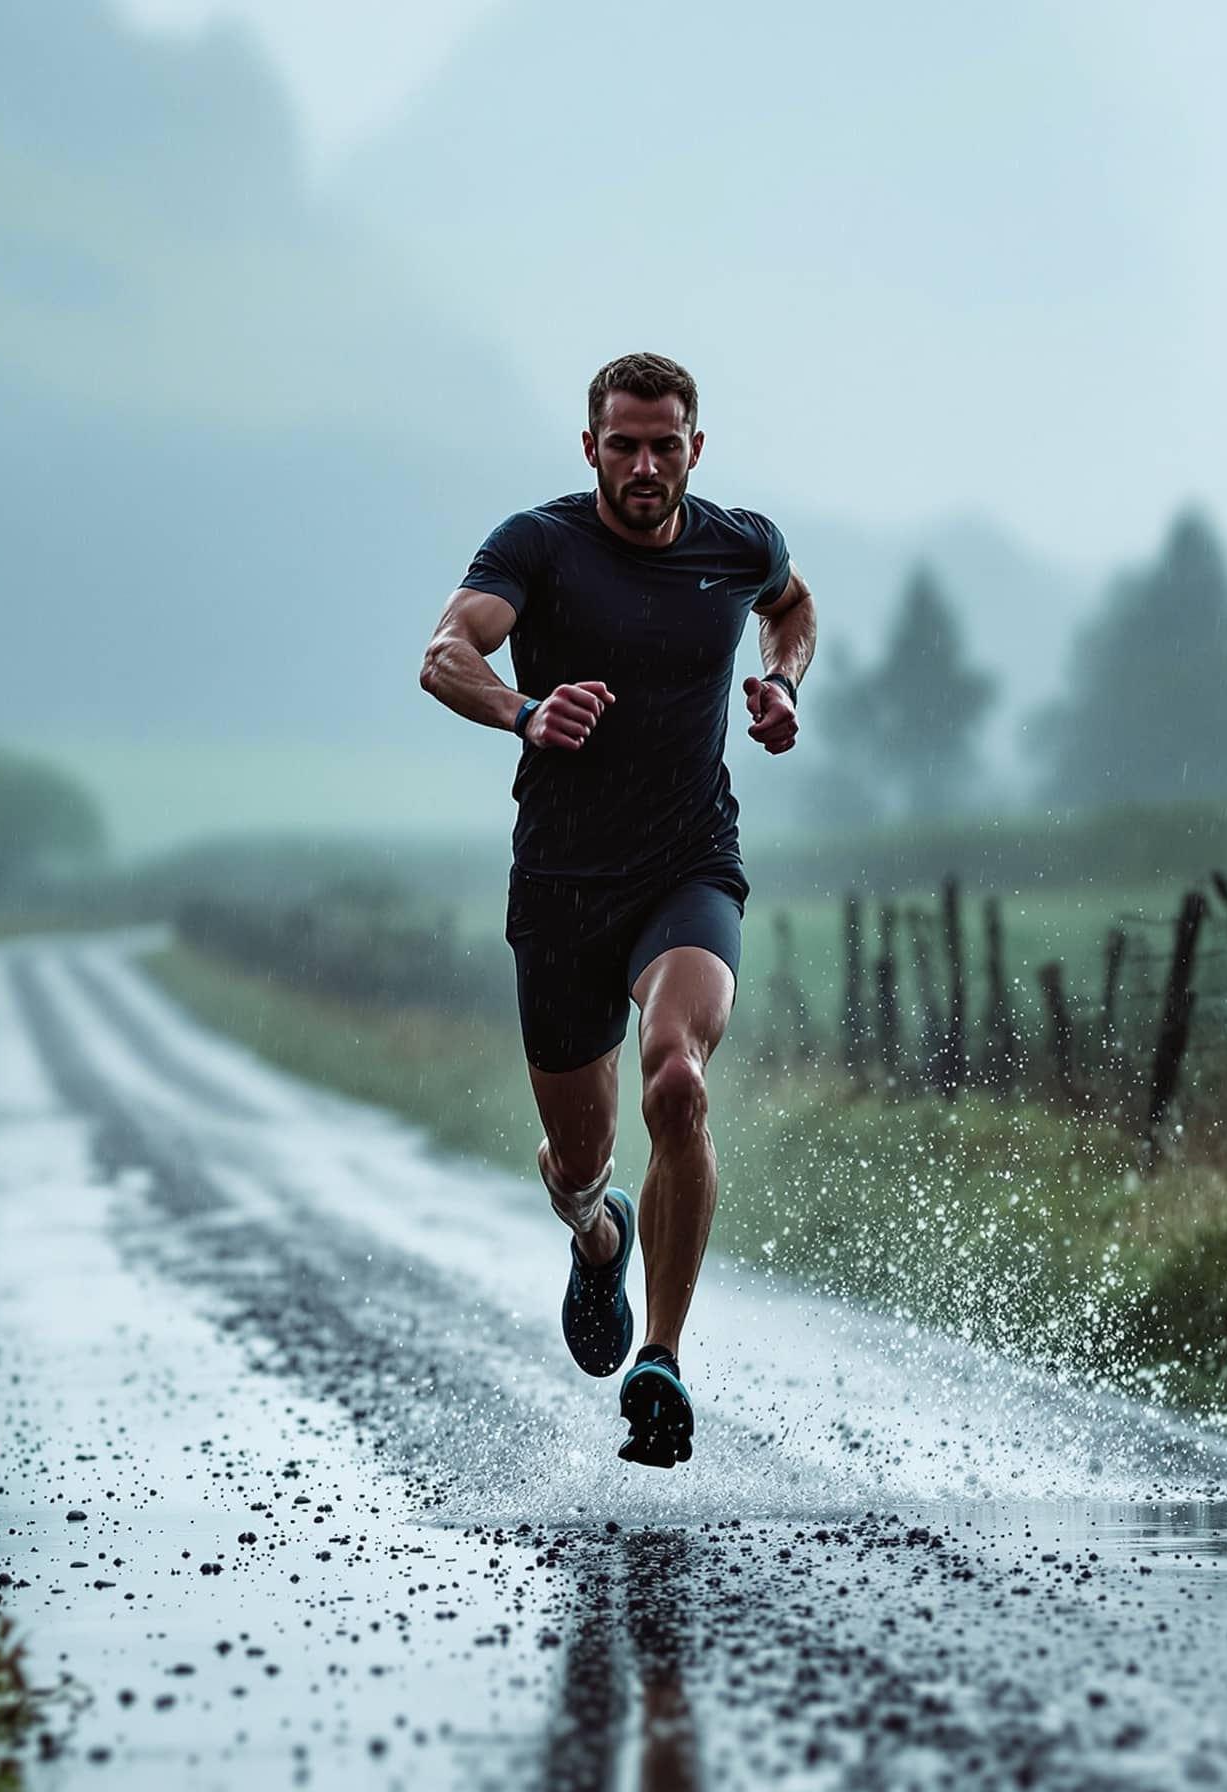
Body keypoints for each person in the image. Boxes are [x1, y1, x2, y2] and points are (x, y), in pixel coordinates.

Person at [418, 351, 816, 1467]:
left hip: (688, 866)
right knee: (576, 1163)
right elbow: (445, 652)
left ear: (696, 447)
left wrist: (782, 683)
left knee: (678, 1078)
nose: (646, 465)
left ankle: (663, 1360)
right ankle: (599, 1237)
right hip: (558, 890)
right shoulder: (536, 546)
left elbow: (792, 609)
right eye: (624, 444)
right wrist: (522, 708)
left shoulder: (739, 543)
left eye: (666, 443)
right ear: (590, 447)